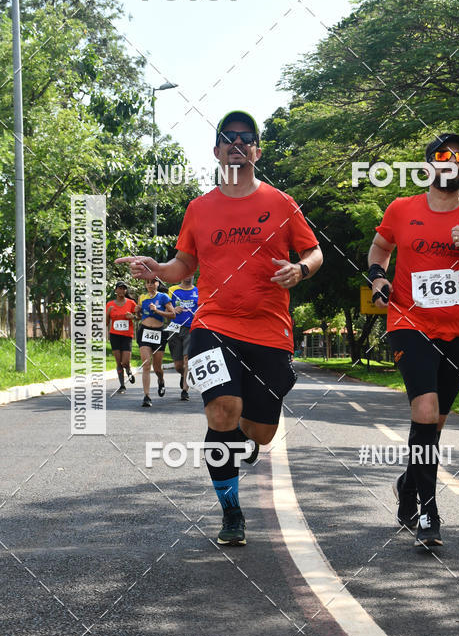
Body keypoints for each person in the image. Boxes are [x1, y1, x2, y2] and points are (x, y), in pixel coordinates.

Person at [117, 110, 323, 544]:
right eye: (228, 137)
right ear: (216, 151)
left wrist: (301, 269)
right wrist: (157, 269)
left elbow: (314, 251)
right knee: (222, 411)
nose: (237, 143)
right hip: (213, 325)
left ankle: (246, 435)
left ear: (256, 152)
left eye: (246, 138)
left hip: (269, 330)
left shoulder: (281, 203)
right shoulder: (199, 208)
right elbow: (183, 266)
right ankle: (231, 511)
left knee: (260, 433)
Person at [368, 132, 459, 548]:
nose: (451, 162)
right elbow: (380, 248)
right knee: (424, 409)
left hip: (458, 331)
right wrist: (378, 278)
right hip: (409, 323)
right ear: (428, 167)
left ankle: (408, 484)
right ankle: (428, 513)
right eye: (442, 156)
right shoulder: (401, 209)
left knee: (433, 425)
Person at [136, 277, 175, 408]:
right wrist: (137, 313)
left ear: (157, 283)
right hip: (144, 331)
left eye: (152, 282)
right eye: (147, 283)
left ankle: (161, 380)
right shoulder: (142, 298)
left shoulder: (163, 297)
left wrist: (157, 311)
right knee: (146, 364)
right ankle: (146, 396)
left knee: (157, 367)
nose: (150, 285)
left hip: (159, 333)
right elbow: (139, 316)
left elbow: (173, 314)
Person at [167, 274, 199, 401]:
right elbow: (166, 308)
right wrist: (173, 310)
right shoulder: (173, 290)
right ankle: (183, 375)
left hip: (190, 328)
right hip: (175, 328)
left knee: (187, 359)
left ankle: (185, 390)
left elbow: (204, 307)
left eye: (190, 273)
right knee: (178, 365)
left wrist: (198, 313)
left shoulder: (198, 291)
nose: (188, 276)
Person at [106, 281, 136, 392]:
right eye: (120, 288)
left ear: (126, 291)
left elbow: (139, 316)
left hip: (127, 336)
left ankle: (129, 371)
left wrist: (132, 316)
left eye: (124, 288)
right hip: (115, 336)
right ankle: (122, 385)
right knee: (118, 362)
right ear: (115, 290)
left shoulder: (131, 303)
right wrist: (108, 313)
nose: (122, 290)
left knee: (125, 362)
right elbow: (106, 323)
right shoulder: (110, 304)